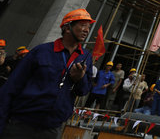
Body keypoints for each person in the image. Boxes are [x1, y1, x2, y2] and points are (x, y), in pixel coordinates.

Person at [0, 8, 95, 138]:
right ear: (67, 28)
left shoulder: (85, 57)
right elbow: (12, 86)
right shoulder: (41, 51)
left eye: (88, 27)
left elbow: (83, 91)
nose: (87, 30)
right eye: (83, 25)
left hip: (51, 129)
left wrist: (80, 78)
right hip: (21, 124)